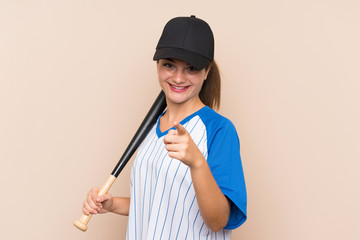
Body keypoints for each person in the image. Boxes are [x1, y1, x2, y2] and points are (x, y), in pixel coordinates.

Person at [82, 15, 247, 239]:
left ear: (206, 71)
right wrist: (112, 204)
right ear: (158, 66)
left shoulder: (219, 130)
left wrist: (197, 162)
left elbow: (218, 221)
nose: (178, 78)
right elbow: (161, 201)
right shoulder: (151, 128)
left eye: (191, 68)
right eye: (169, 65)